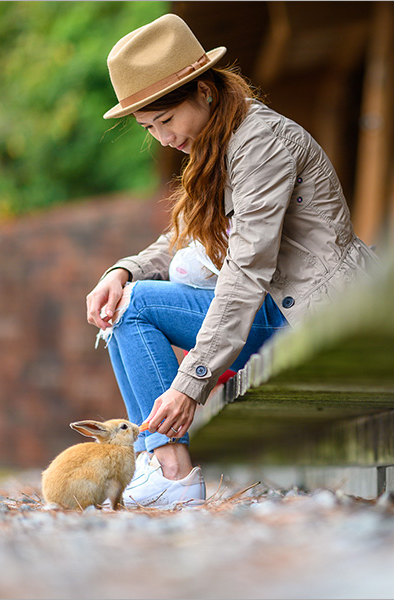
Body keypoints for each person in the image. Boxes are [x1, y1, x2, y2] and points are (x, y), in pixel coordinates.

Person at [86, 14, 378, 507]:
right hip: (278, 311)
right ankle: (161, 466)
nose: (163, 138)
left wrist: (190, 382)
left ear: (203, 91)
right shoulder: (217, 142)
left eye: (167, 120)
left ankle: (171, 472)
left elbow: (247, 270)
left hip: (314, 316)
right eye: (149, 127)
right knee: (125, 302)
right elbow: (185, 237)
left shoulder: (260, 145)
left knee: (135, 308)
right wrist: (124, 270)